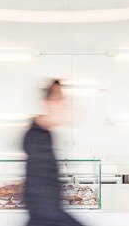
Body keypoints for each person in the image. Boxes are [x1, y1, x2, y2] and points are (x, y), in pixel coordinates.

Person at [23, 79, 84, 226]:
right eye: (62, 102)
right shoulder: (37, 140)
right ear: (49, 104)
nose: (65, 108)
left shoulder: (44, 135)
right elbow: (43, 207)